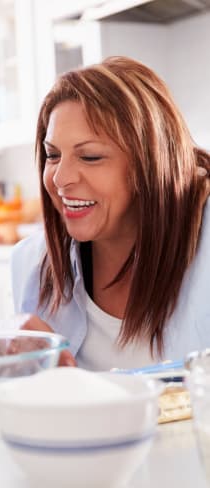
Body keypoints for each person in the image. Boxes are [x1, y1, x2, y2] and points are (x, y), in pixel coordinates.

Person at [11, 56, 210, 371]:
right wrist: (14, 366)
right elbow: (9, 402)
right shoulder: (33, 264)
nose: (61, 179)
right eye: (53, 155)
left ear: (151, 165)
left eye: (89, 157)